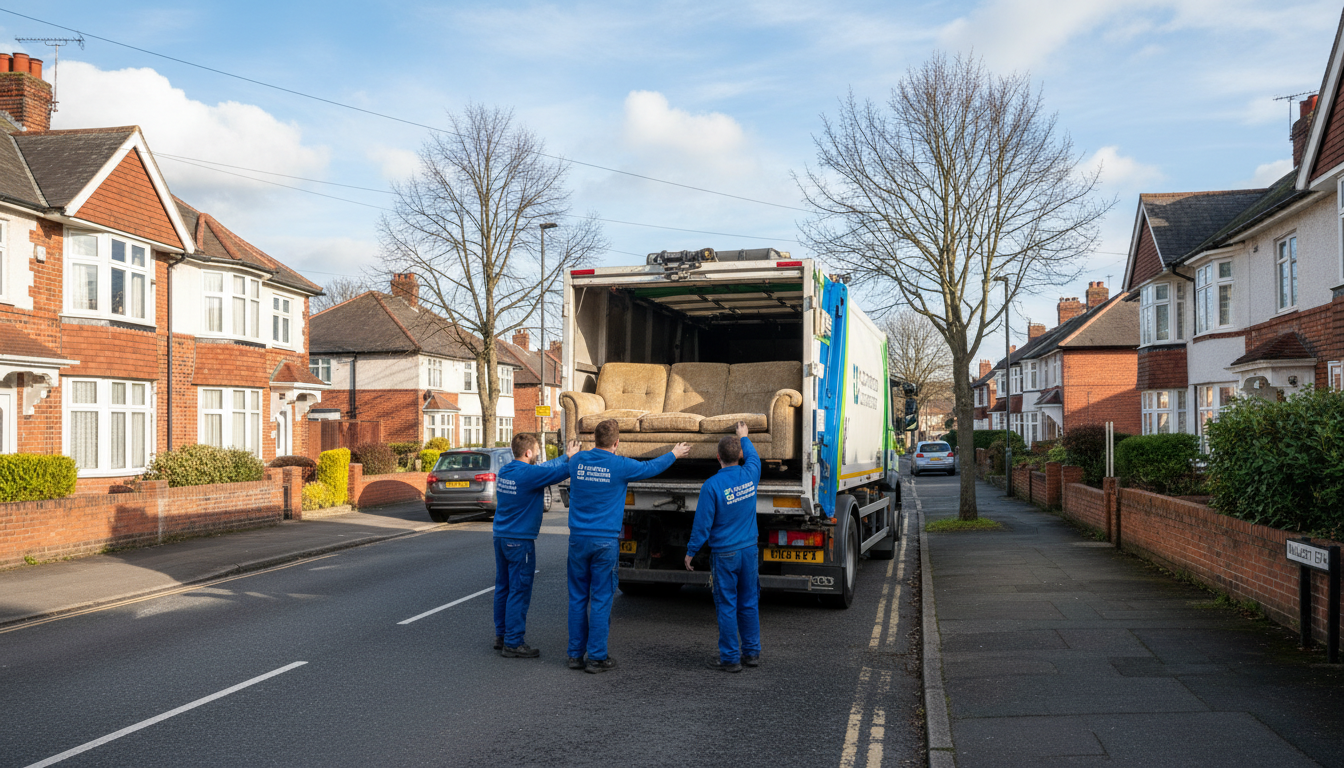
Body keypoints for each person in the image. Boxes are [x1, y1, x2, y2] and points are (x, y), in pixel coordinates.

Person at [566, 419, 689, 673]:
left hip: (577, 539)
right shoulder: (620, 465)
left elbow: (564, 466)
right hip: (604, 542)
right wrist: (674, 454)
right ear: (617, 443)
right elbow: (651, 467)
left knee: (577, 598)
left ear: (594, 440)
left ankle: (575, 656)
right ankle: (597, 657)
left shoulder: (577, 461)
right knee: (601, 598)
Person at [492, 433, 581, 658]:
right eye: (537, 450)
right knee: (519, 590)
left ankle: (501, 635)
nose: (539, 454)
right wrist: (574, 460)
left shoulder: (507, 471)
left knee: (503, 587)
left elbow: (543, 468)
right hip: (519, 541)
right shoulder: (529, 475)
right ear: (528, 452)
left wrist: (565, 456)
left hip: (501, 537)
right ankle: (513, 642)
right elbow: (554, 473)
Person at [685, 421, 761, 673]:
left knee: (727, 604)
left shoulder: (711, 486)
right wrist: (745, 437)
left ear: (717, 457)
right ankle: (751, 653)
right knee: (749, 602)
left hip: (725, 554)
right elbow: (752, 456)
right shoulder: (751, 473)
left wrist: (691, 551)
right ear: (739, 456)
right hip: (749, 550)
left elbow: (702, 524)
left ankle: (730, 658)